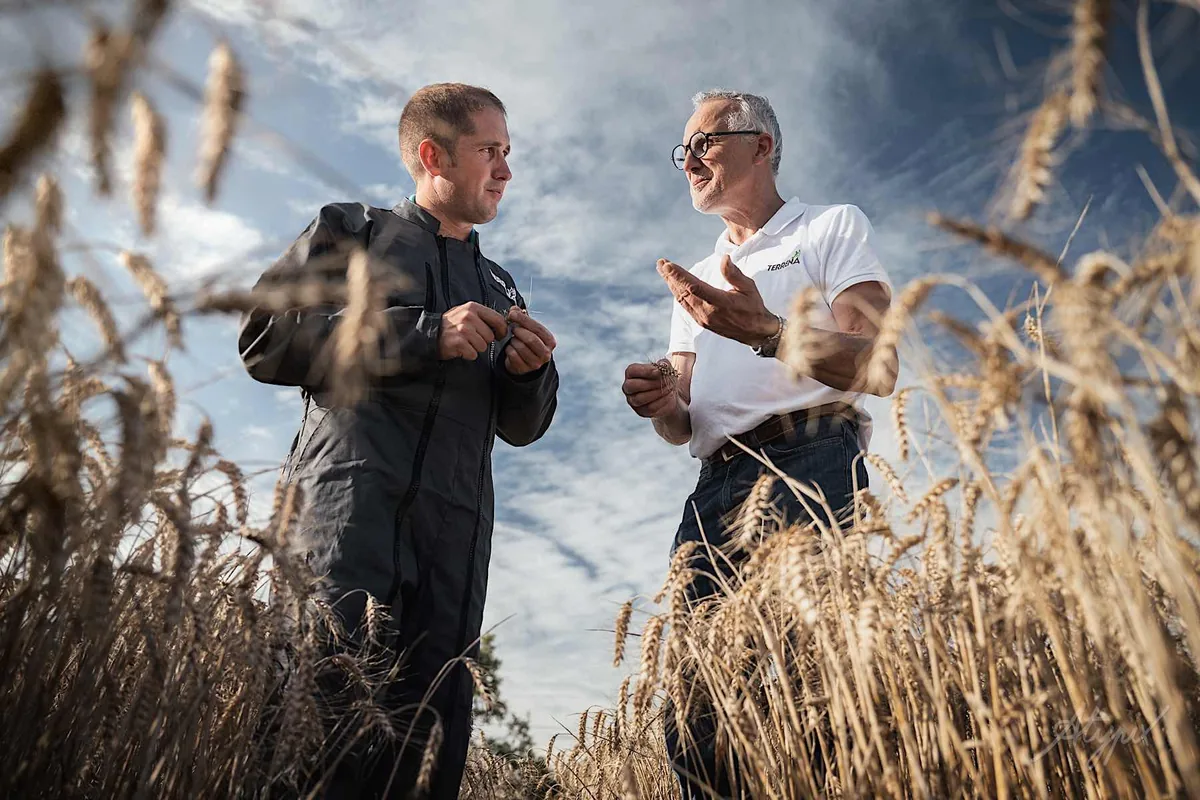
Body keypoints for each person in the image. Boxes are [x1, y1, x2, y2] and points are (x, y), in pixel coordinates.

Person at [238, 83, 559, 799]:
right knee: (312, 734)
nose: (506, 169)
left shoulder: (502, 286)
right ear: (430, 154)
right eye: (489, 151)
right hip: (344, 521)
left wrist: (530, 374)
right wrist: (421, 334)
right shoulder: (352, 232)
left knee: (424, 759)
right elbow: (264, 339)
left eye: (508, 153)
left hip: (456, 542)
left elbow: (523, 426)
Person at [621, 89, 896, 798]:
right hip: (713, 486)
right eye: (681, 150)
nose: (688, 160)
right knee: (696, 696)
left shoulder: (830, 227)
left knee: (815, 685)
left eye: (704, 143)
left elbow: (876, 362)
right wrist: (660, 396)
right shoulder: (700, 279)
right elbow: (683, 416)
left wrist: (768, 331)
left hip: (813, 464)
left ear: (761, 146)